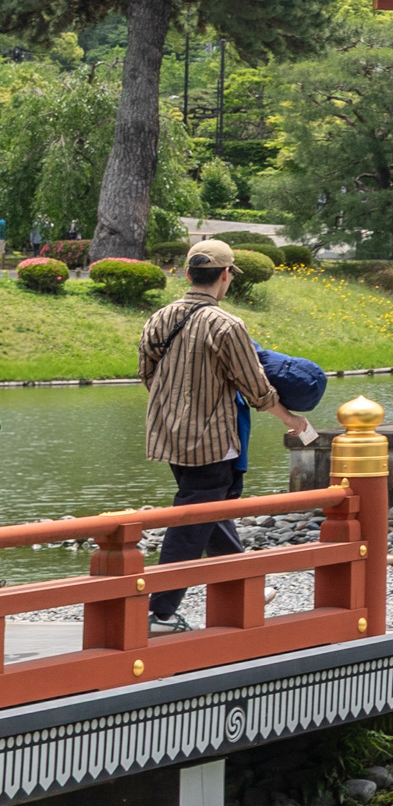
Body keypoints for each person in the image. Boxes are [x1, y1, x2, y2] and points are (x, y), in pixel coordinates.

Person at [138, 240, 317, 631]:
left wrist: (175, 408)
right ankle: (156, 612)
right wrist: (291, 420)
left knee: (212, 513)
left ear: (188, 274)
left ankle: (248, 589)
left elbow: (147, 373)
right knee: (191, 522)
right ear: (225, 275)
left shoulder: (159, 317)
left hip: (169, 436)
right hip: (213, 441)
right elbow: (256, 388)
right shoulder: (227, 325)